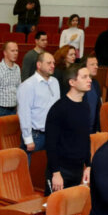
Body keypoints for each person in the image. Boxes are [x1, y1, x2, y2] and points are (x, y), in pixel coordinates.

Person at [45, 63, 94, 193]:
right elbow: (51, 144)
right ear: (72, 82)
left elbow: (85, 138)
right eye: (84, 77)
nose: (90, 80)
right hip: (61, 171)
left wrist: (88, 165)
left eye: (89, 76)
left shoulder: (85, 106)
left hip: (78, 169)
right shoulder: (58, 109)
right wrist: (56, 173)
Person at [16, 51, 58, 161]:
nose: (53, 66)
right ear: (39, 65)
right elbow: (24, 113)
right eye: (49, 63)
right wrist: (28, 139)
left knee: (45, 171)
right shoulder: (28, 85)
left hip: (52, 134)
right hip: (36, 136)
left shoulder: (55, 82)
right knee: (29, 171)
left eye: (53, 63)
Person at [84, 54, 103, 132]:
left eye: (97, 64)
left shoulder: (96, 84)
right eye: (92, 64)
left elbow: (98, 109)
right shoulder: (78, 84)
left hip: (93, 130)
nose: (96, 67)